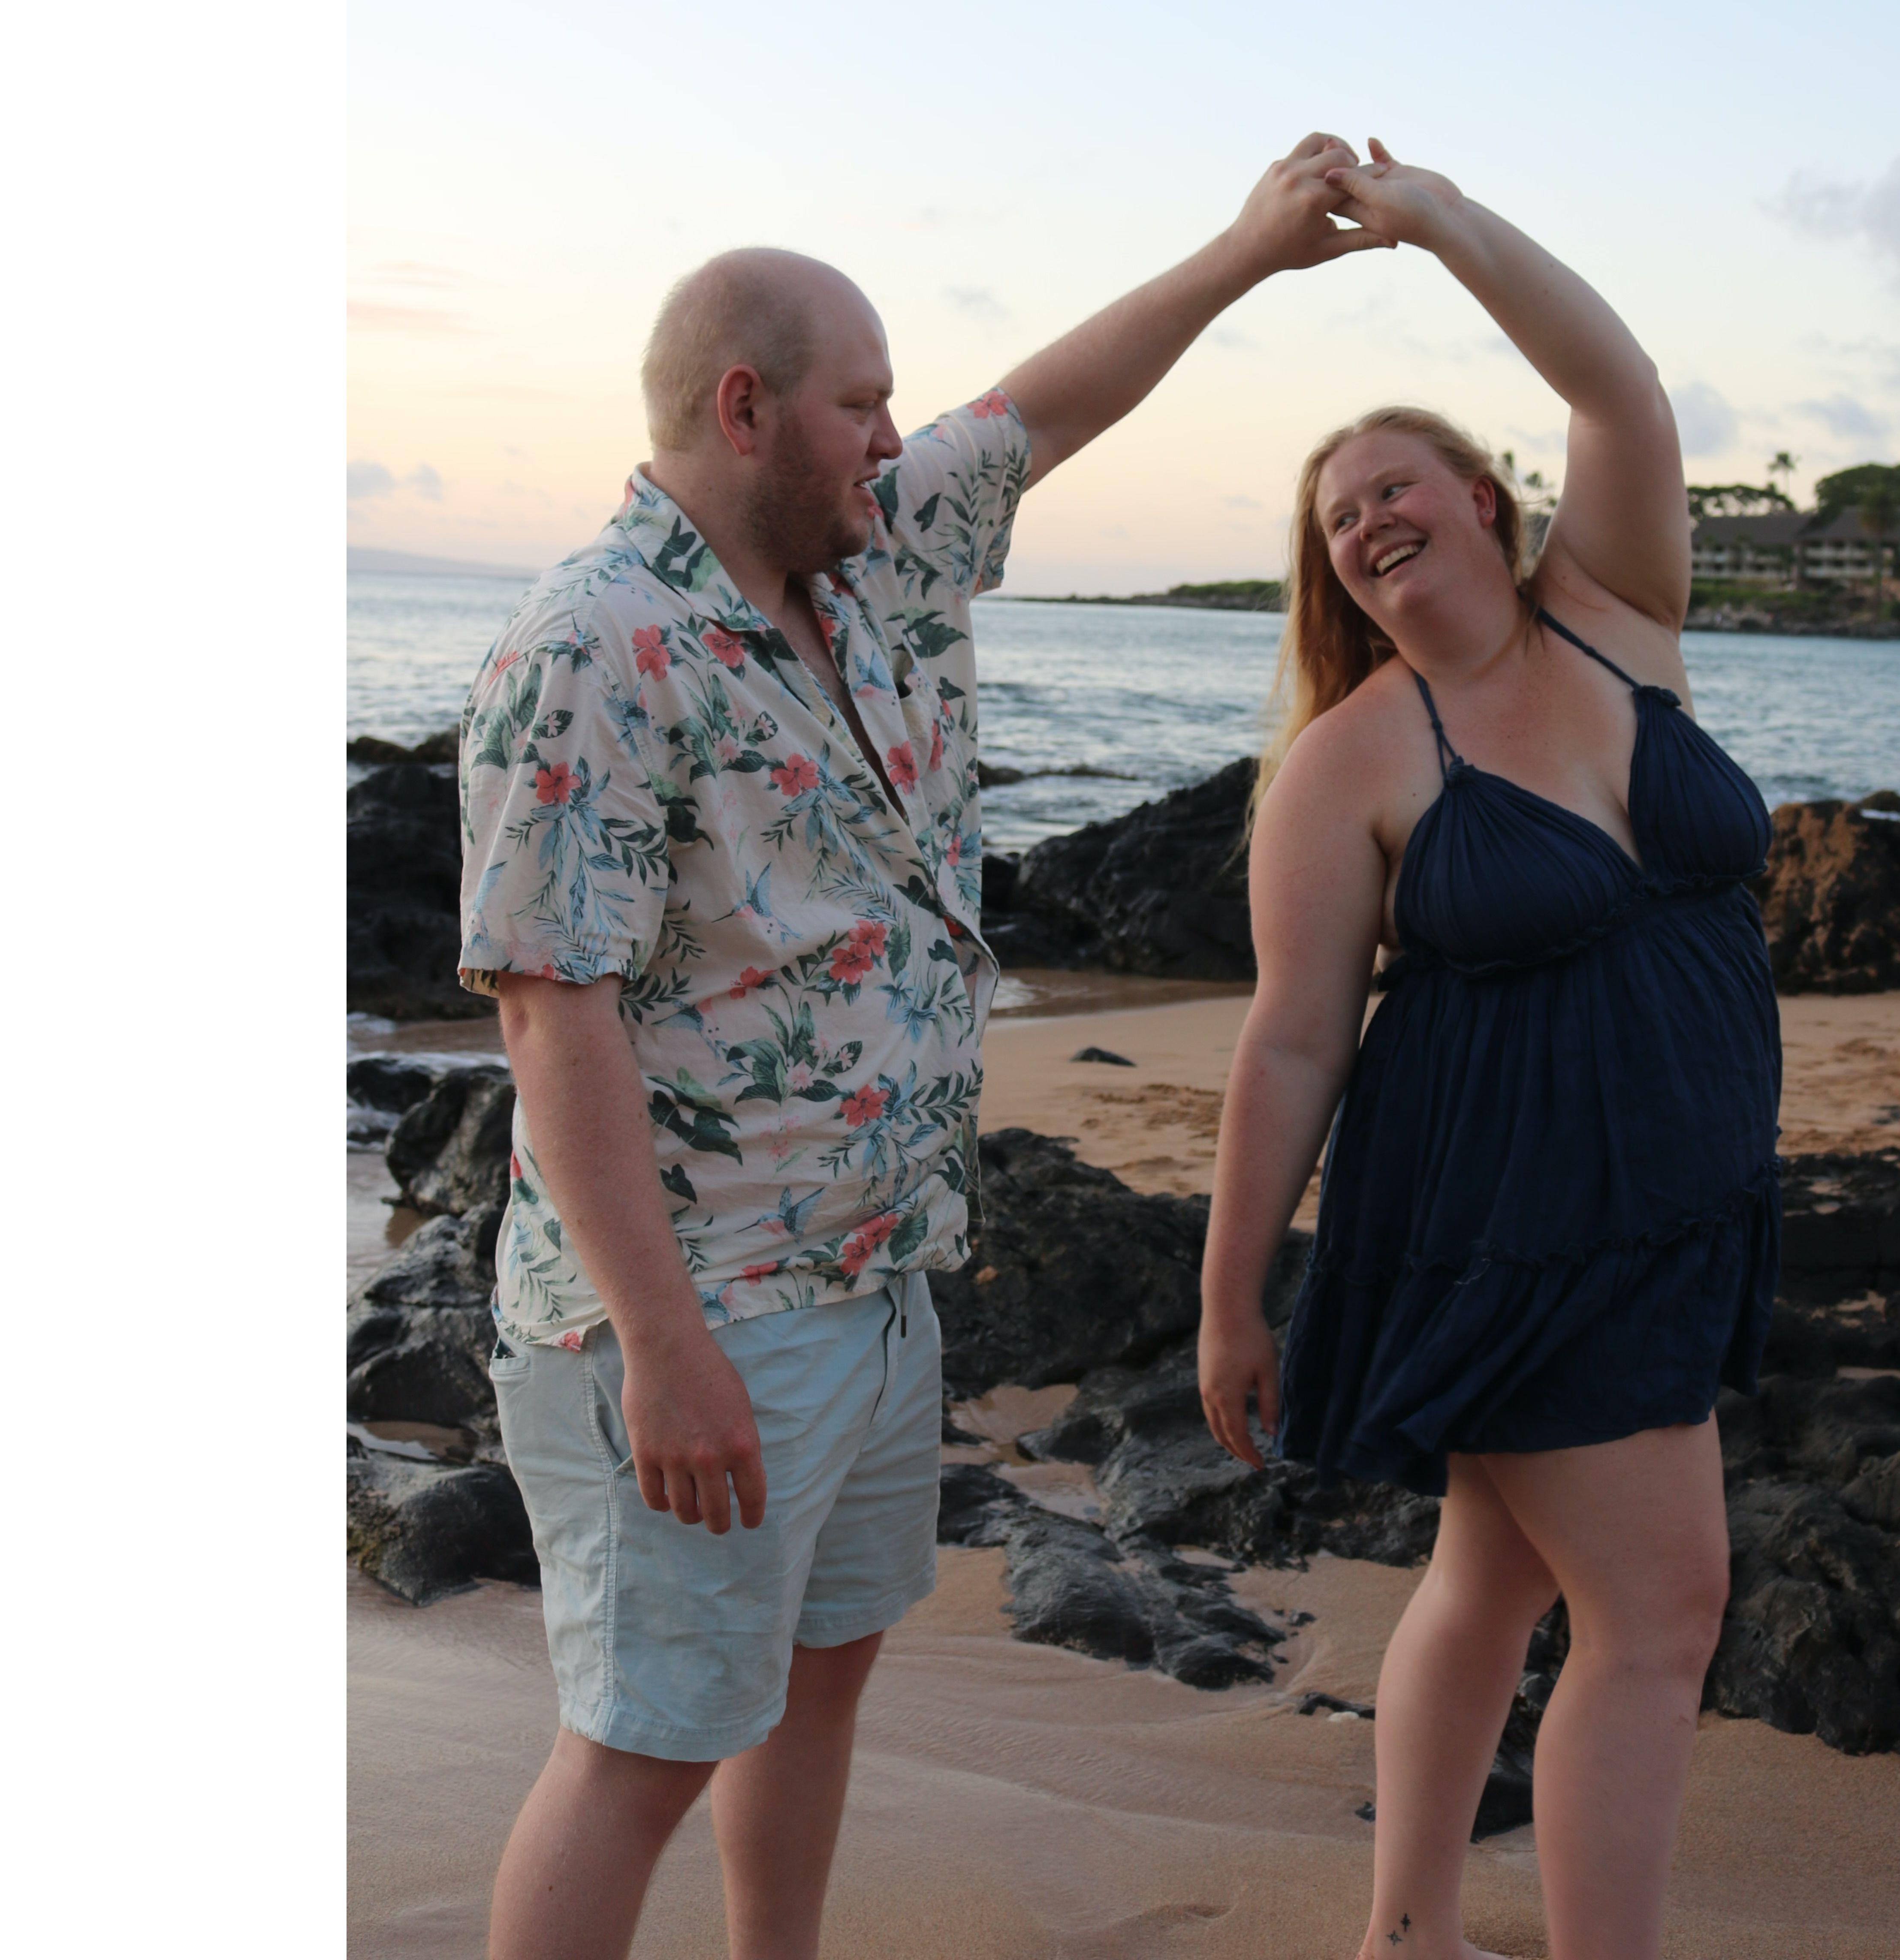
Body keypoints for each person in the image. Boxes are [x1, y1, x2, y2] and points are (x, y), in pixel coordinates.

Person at [457, 135, 1381, 1960]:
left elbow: (1045, 405)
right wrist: (663, 1349)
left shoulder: (871, 560)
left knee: (820, 1683)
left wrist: (1252, 252)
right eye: (860, 401)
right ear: (748, 406)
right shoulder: (599, 646)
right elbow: (554, 1021)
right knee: (643, 1747)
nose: (894, 434)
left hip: (878, 1281)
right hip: (699, 1307)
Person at [1196, 144, 1782, 1960]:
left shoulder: (1620, 618)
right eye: (1337, 521)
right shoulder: (1352, 763)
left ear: (1480, 493)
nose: (1369, 522)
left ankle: (1408, 1934)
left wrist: (1440, 223)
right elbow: (1290, 1047)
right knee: (1664, 1612)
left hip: (1675, 1196)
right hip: (1506, 1216)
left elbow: (1620, 385)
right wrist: (1229, 1304)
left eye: (1395, 486)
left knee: (1501, 1567)